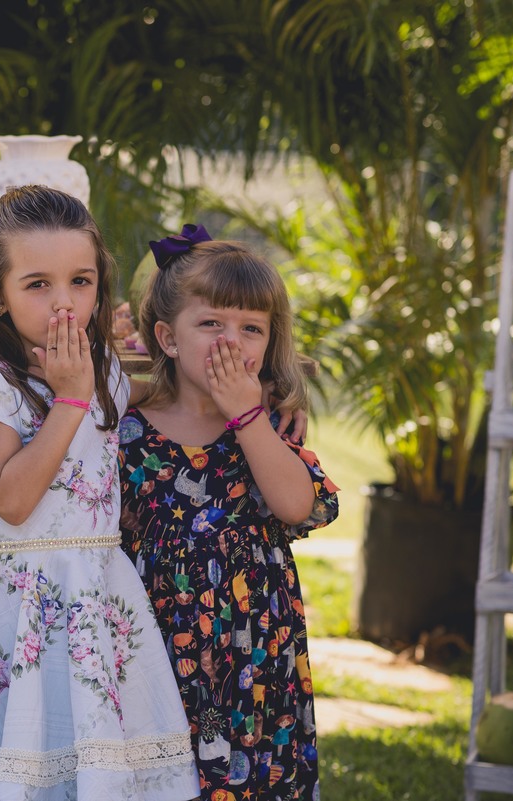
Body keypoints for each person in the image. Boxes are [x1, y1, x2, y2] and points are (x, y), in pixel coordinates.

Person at [0, 186, 200, 801]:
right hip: (20, 612)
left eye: (81, 282)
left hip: (99, 601)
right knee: (23, 766)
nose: (65, 304)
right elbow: (12, 500)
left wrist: (265, 406)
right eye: (37, 285)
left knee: (101, 769)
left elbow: (163, 403)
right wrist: (68, 398)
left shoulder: (103, 372)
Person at [118, 226, 339, 801]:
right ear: (167, 337)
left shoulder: (267, 428)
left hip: (255, 653)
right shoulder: (128, 432)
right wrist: (137, 392)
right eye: (210, 323)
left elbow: (297, 505)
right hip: (156, 645)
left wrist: (247, 417)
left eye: (251, 329)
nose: (230, 341)